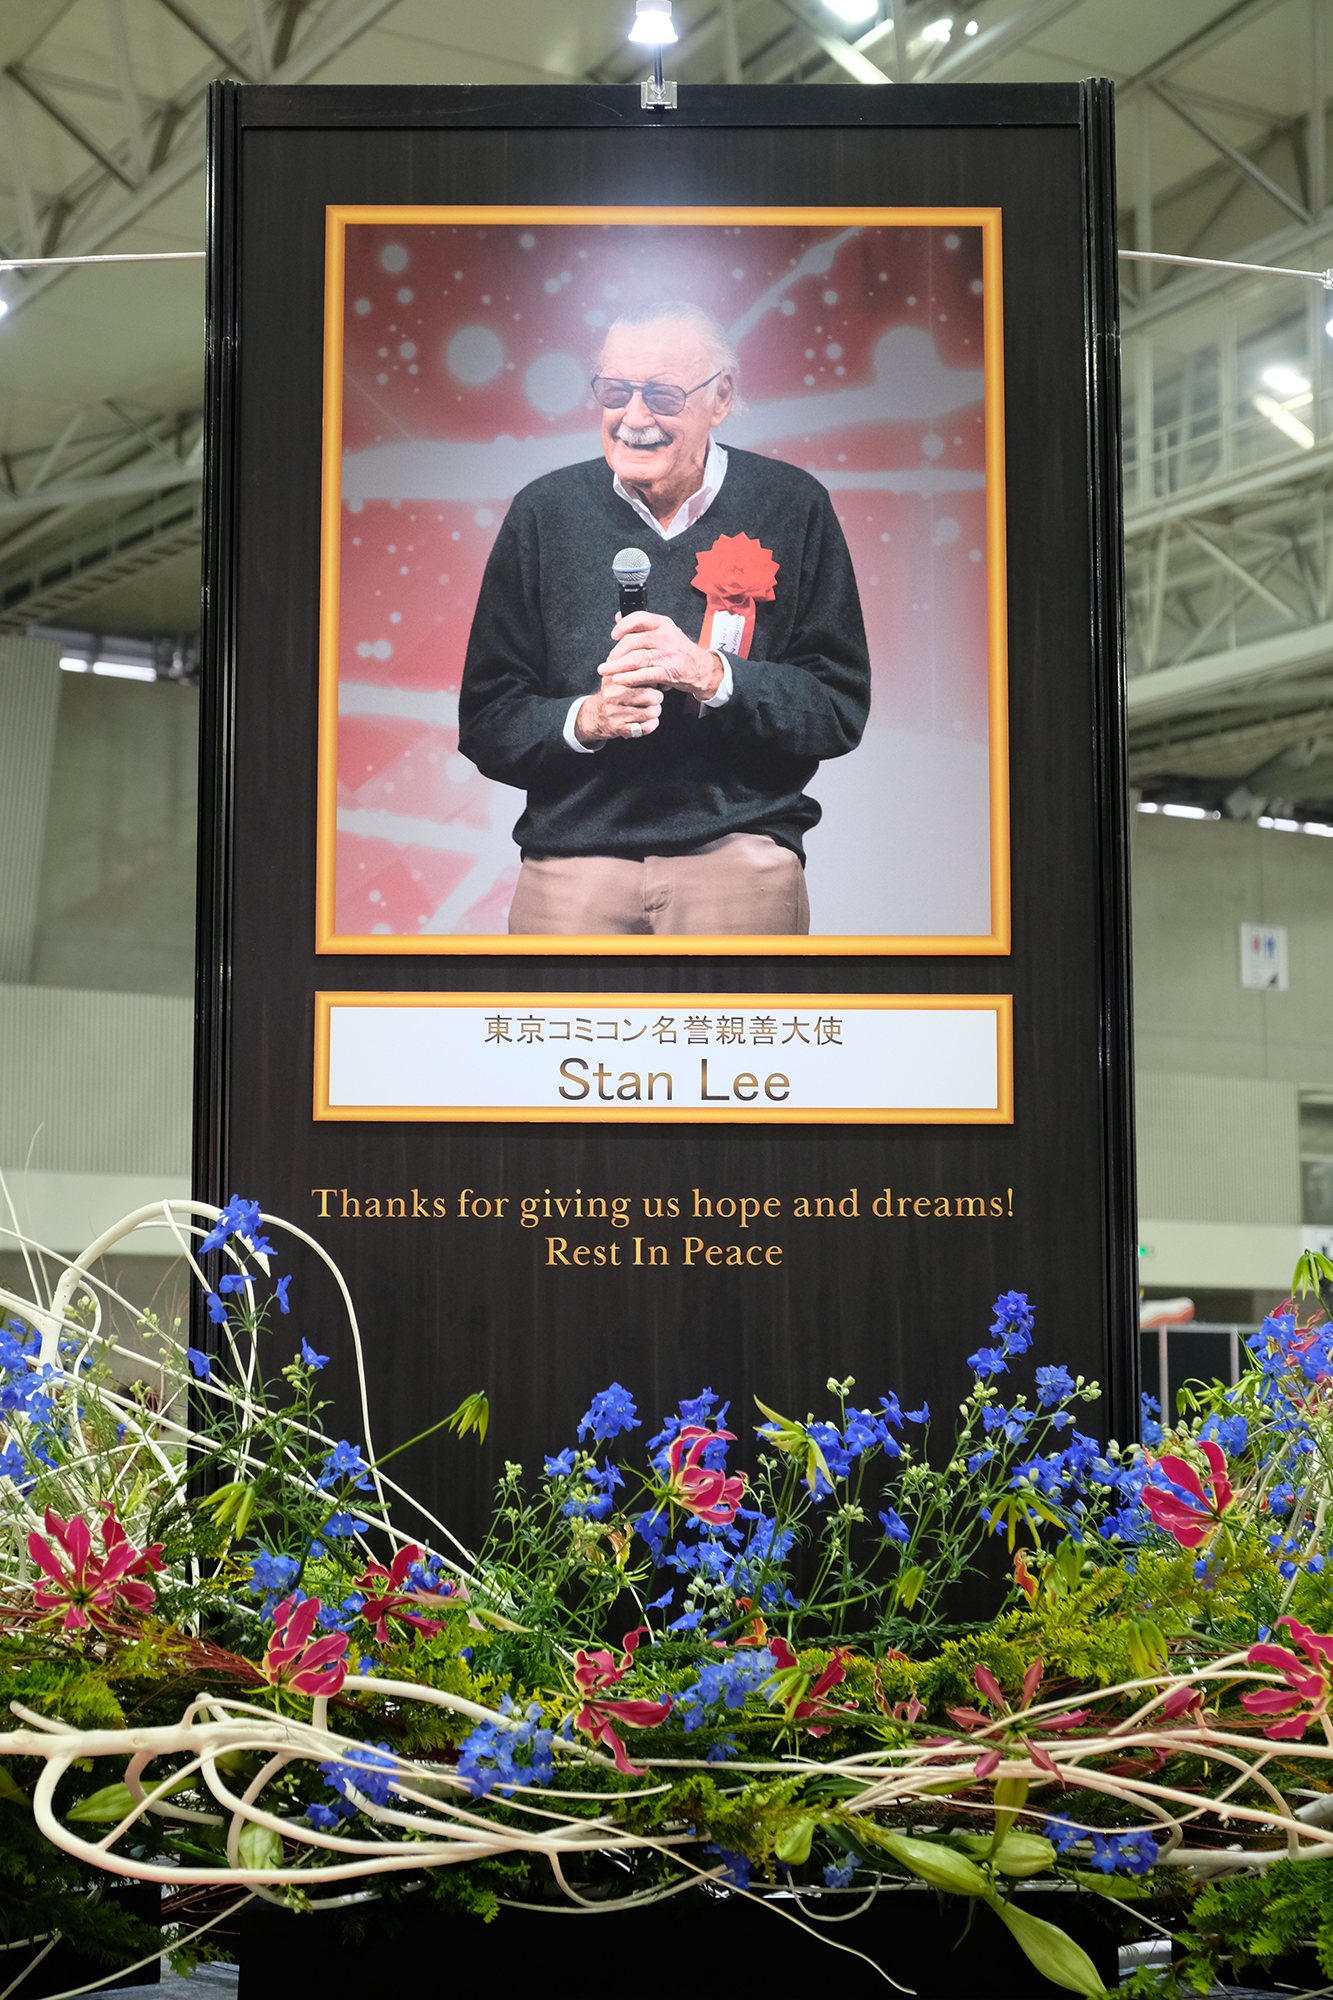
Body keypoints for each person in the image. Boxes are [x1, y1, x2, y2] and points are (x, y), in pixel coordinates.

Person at [457, 298, 871, 936]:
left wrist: (711, 674)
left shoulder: (793, 505)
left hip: (738, 855)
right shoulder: (543, 512)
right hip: (571, 864)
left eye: (662, 395)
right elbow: (488, 722)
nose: (633, 417)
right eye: (614, 392)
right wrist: (590, 719)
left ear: (721, 397)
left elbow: (837, 711)